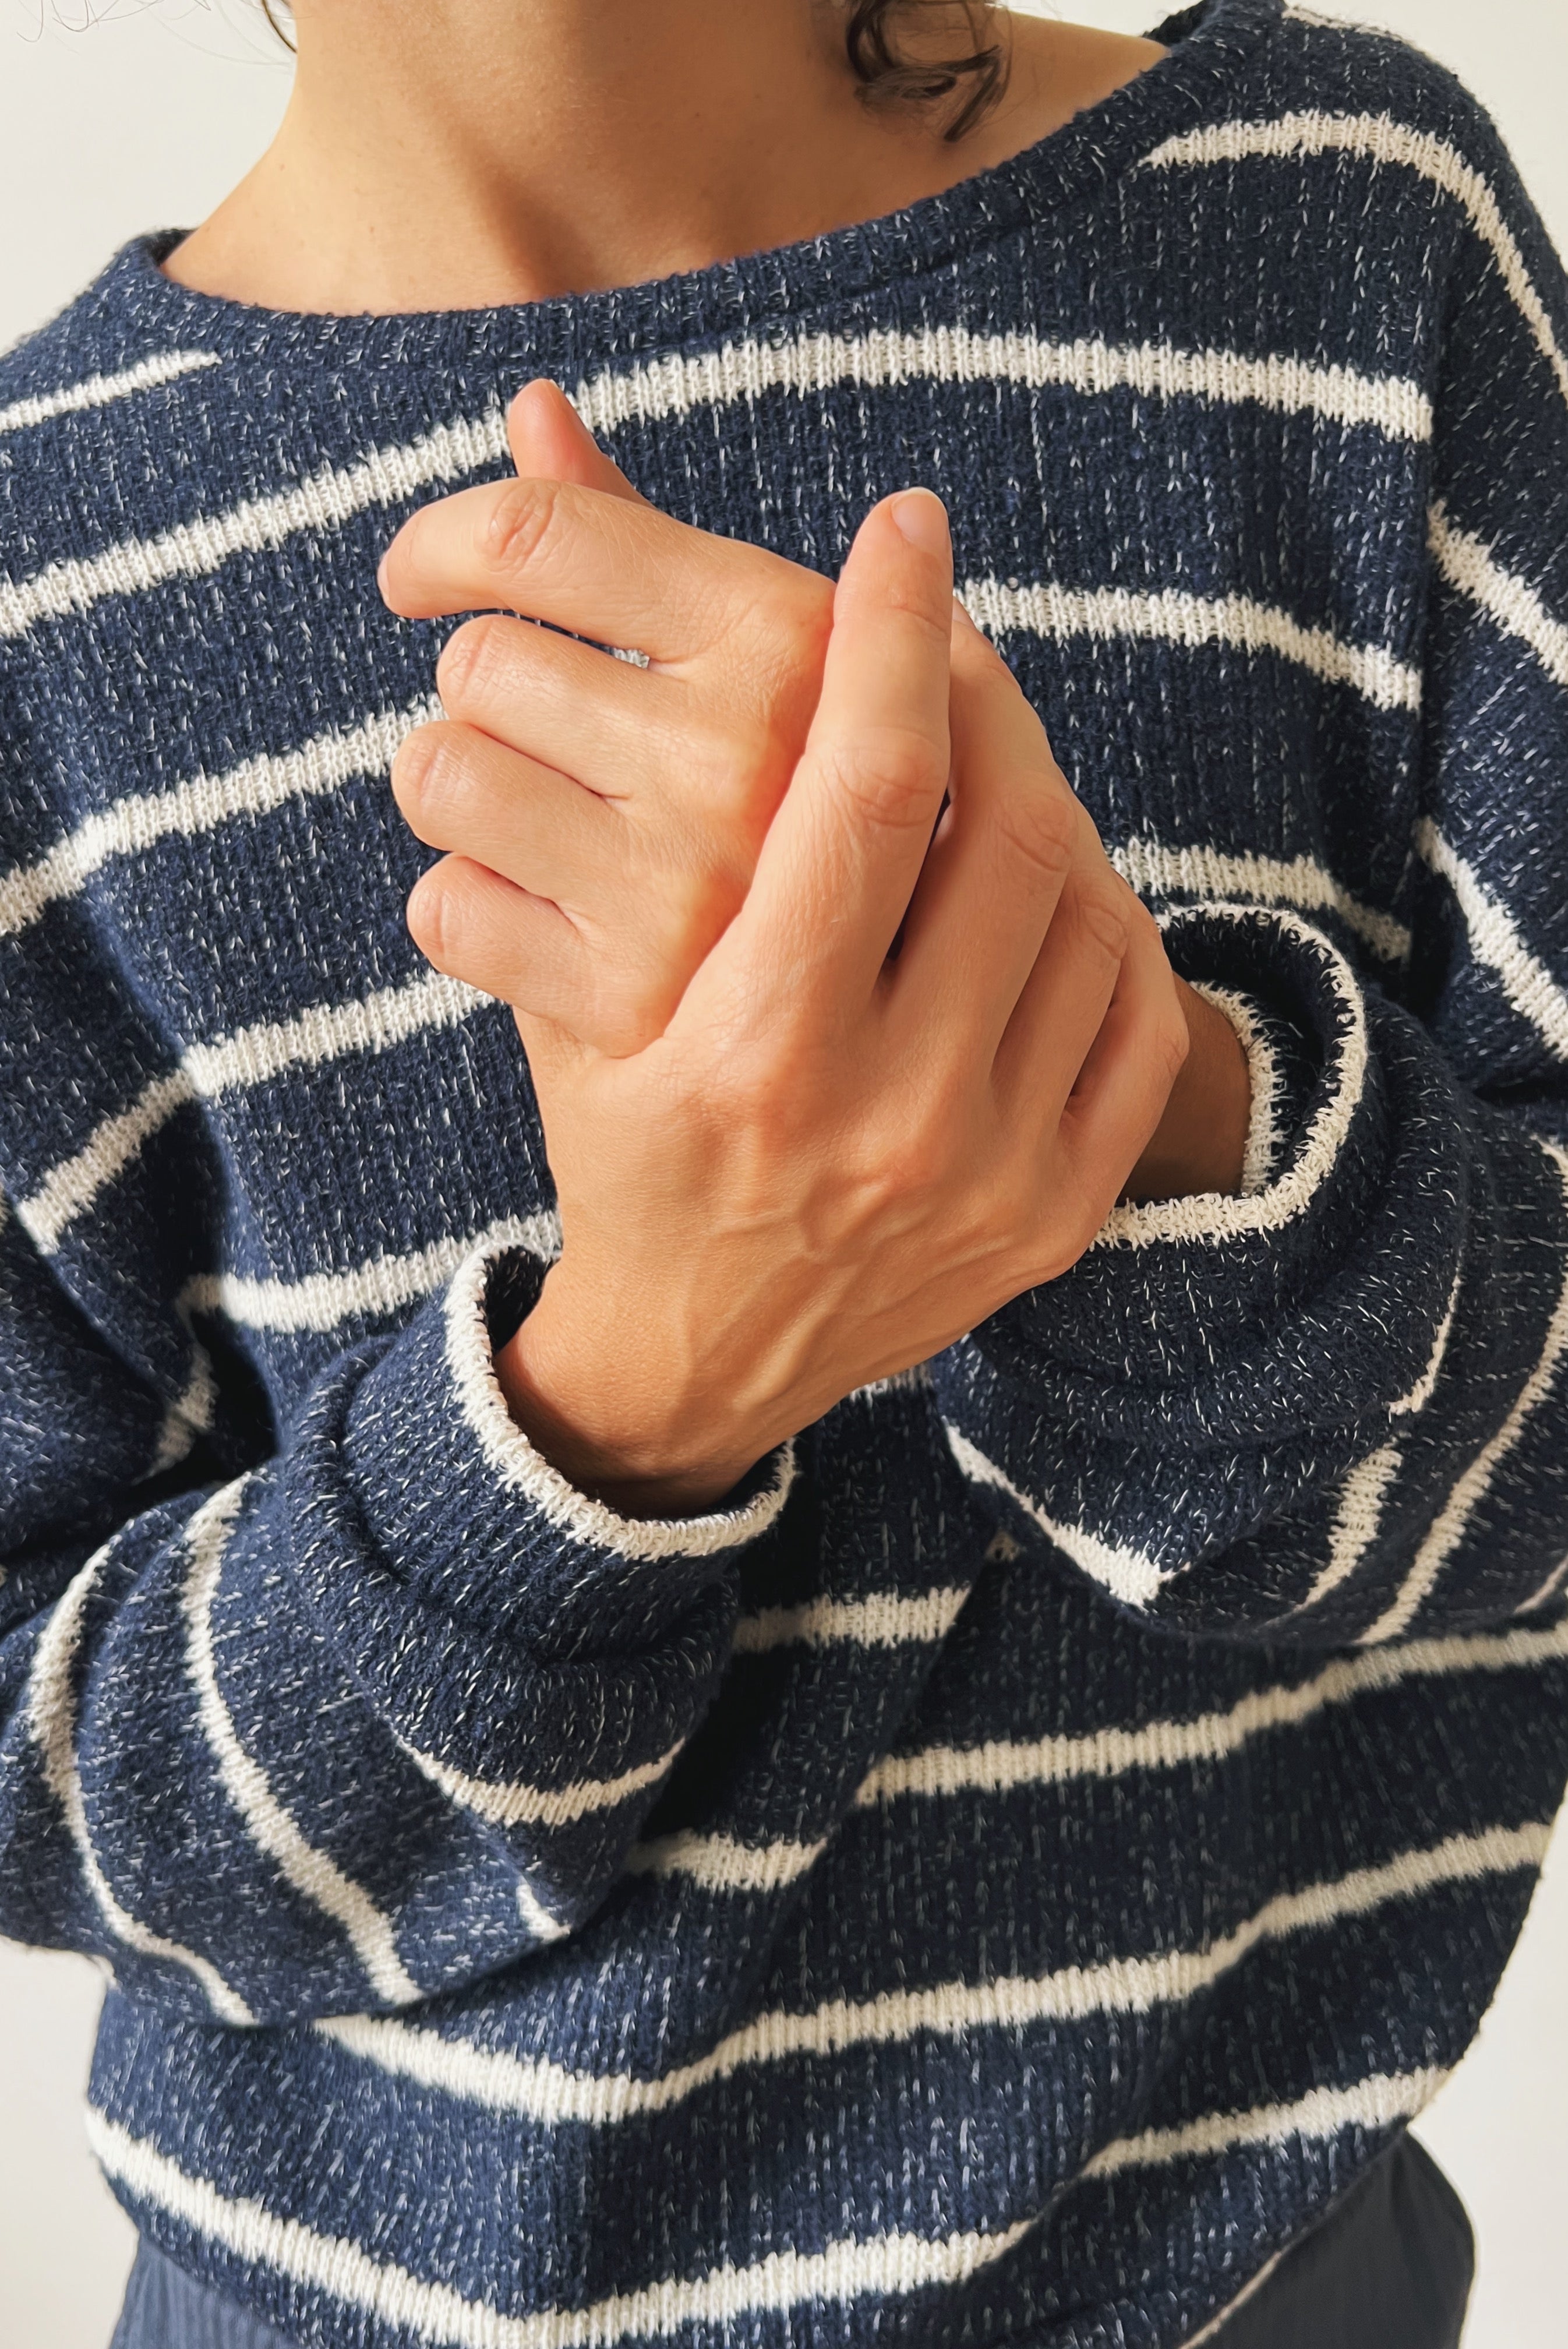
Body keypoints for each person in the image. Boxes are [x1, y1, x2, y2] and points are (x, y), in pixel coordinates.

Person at [1, 0, 1565, 2341]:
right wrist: (613, 1398)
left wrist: (1136, 1106)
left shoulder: (1343, 233)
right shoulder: (34, 593)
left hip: (1264, 2278)